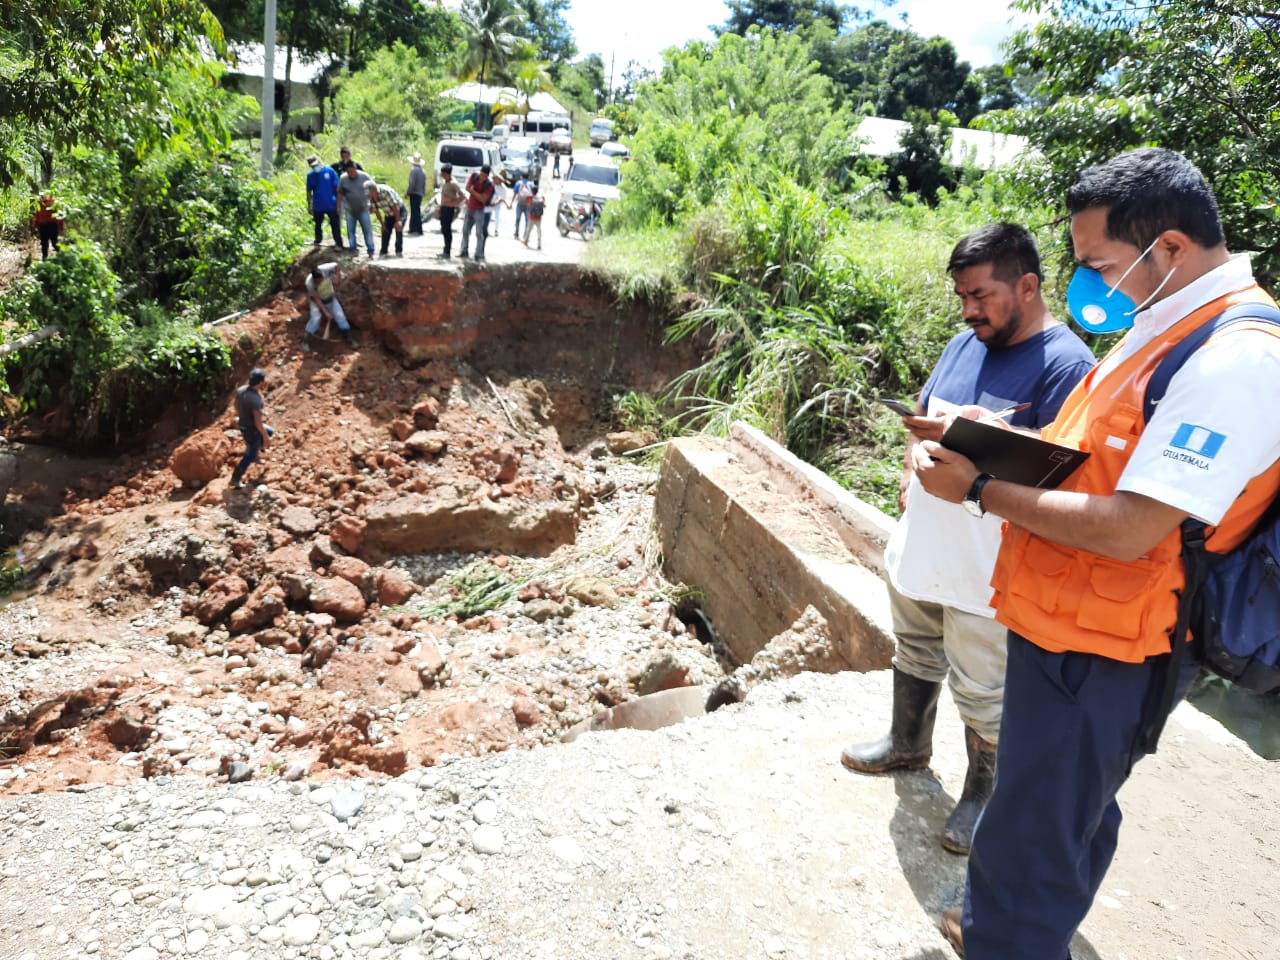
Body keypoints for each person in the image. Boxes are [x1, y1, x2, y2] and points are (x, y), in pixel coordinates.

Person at [913, 148, 1280, 958]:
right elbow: (1100, 455)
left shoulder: (1235, 360)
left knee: (1039, 822)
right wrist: (1000, 445)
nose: (1090, 283)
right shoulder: (1166, 324)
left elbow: (1129, 526)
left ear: (1171, 248)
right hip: (1073, 620)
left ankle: (1008, 937)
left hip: (1110, 643)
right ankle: (1008, 925)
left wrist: (979, 489)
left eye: (1098, 264)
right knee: (1059, 807)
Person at [839, 223, 1096, 856]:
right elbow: (922, 417)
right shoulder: (962, 344)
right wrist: (907, 476)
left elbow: (1068, 472)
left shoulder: (1067, 365)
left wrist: (993, 442)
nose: (968, 309)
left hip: (994, 559)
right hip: (928, 537)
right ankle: (908, 742)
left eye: (980, 294)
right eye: (961, 295)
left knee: (983, 681)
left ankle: (984, 795)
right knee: (917, 644)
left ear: (1028, 286)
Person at [231, 369, 271, 489]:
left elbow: (235, 405)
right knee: (249, 454)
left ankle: (255, 454)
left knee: (270, 431)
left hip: (243, 424)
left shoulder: (241, 390)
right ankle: (236, 478)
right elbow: (258, 422)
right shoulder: (255, 399)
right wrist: (265, 438)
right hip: (252, 429)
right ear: (260, 382)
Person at [303, 262, 357, 352]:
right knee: (316, 318)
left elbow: (336, 265)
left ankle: (348, 338)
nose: (320, 282)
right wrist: (326, 312)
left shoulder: (325, 269)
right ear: (314, 279)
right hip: (317, 302)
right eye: (318, 281)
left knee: (340, 315)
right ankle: (306, 340)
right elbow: (316, 299)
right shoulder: (309, 283)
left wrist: (337, 277)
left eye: (322, 279)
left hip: (330, 298)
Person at [336, 162, 376, 257]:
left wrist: (373, 205)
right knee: (350, 231)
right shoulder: (343, 178)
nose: (351, 173)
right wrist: (338, 206)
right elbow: (339, 193)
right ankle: (353, 248)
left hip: (364, 208)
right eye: (349, 172)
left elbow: (374, 189)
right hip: (350, 209)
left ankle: (371, 249)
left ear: (356, 169)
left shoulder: (365, 176)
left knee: (367, 230)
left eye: (353, 171)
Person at [305, 154, 342, 248]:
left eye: (316, 165)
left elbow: (337, 189)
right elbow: (309, 191)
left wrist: (338, 205)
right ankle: (318, 240)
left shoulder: (330, 171)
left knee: (335, 225)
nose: (315, 167)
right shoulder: (310, 175)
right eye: (312, 166)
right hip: (318, 204)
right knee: (317, 224)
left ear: (319, 162)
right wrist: (310, 205)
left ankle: (338, 243)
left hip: (331, 203)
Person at [460, 164, 495, 261]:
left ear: (487, 176)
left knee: (479, 233)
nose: (482, 177)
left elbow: (484, 200)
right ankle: (464, 250)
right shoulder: (474, 176)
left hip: (479, 210)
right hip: (470, 207)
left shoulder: (489, 185)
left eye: (484, 176)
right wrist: (478, 195)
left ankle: (478, 254)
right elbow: (467, 188)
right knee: (465, 230)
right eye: (481, 174)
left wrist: (473, 192)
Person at [367, 182, 407, 258]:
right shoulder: (371, 198)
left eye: (369, 193)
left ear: (374, 191)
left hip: (399, 210)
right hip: (388, 213)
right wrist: (382, 224)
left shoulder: (385, 192)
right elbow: (376, 211)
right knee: (385, 230)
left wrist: (398, 220)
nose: (368, 195)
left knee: (398, 228)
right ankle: (383, 251)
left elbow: (395, 206)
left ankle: (398, 251)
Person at [436, 164, 466, 260]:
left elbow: (462, 196)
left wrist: (454, 204)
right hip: (444, 208)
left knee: (447, 230)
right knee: (444, 229)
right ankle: (445, 250)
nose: (442, 176)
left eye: (444, 174)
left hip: (449, 209)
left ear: (448, 174)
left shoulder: (454, 183)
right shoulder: (445, 182)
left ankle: (447, 251)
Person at [32, 192, 63, 260]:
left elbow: (38, 214)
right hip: (52, 225)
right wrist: (61, 226)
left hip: (44, 225)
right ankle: (62, 256)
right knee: (54, 242)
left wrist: (35, 225)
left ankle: (45, 257)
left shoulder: (40, 201)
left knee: (44, 242)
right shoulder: (54, 201)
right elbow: (59, 214)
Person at [406, 152, 427, 236]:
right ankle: (416, 228)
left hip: (414, 193)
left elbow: (412, 183)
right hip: (420, 193)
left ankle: (414, 228)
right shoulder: (423, 171)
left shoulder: (413, 170)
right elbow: (424, 184)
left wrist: (408, 192)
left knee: (414, 212)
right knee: (416, 211)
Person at [487, 173, 511, 238]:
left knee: (496, 217)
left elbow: (502, 199)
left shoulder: (503, 189)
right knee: (487, 215)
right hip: (489, 202)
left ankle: (496, 230)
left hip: (497, 204)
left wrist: (495, 203)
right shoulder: (491, 184)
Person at [522, 186, 544, 251]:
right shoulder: (540, 198)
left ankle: (526, 241)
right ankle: (539, 244)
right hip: (539, 218)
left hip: (531, 217)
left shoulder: (530, 198)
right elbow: (544, 205)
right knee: (539, 231)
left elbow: (528, 205)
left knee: (529, 230)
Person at [512, 173, 532, 239]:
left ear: (521, 177)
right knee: (527, 220)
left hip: (519, 204)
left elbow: (515, 193)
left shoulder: (518, 183)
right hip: (528, 205)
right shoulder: (531, 184)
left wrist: (511, 202)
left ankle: (516, 233)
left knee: (518, 219)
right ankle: (526, 234)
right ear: (528, 177)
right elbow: (533, 194)